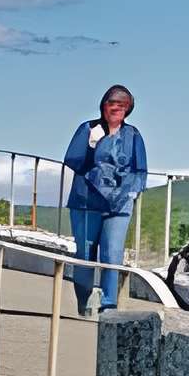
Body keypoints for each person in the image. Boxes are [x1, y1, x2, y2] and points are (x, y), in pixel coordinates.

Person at [62, 85, 148, 316]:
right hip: (86, 202)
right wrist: (91, 146)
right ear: (104, 105)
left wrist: (130, 193)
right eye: (112, 103)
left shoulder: (133, 135)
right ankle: (84, 303)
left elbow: (140, 169)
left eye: (122, 105)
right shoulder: (88, 129)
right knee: (85, 254)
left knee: (112, 254)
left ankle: (108, 305)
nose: (116, 108)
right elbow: (73, 161)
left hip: (118, 205)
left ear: (128, 109)